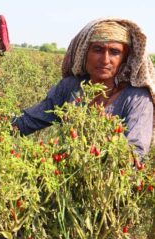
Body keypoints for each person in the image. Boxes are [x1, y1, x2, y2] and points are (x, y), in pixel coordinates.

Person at [11, 18, 155, 158]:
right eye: (97, 49)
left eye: (114, 52)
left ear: (124, 58)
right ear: (84, 53)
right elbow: (28, 121)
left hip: (107, 180)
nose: (105, 60)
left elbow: (134, 154)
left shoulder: (137, 98)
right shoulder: (70, 87)